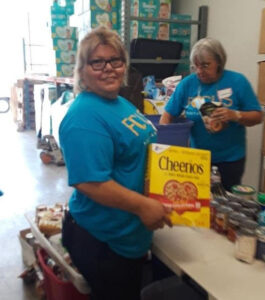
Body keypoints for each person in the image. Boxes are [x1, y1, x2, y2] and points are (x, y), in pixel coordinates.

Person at [59, 26, 172, 300]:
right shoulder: (84, 117)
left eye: (115, 60)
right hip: (102, 240)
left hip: (128, 235)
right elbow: (90, 182)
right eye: (97, 62)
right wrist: (144, 205)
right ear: (83, 70)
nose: (108, 68)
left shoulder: (120, 102)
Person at [159, 37, 263, 191]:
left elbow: (258, 116)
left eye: (205, 65)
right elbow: (167, 115)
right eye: (195, 67)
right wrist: (163, 147)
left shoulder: (237, 81)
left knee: (226, 207)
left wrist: (235, 115)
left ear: (219, 62)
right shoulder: (187, 84)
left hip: (230, 160)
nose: (200, 71)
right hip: (197, 161)